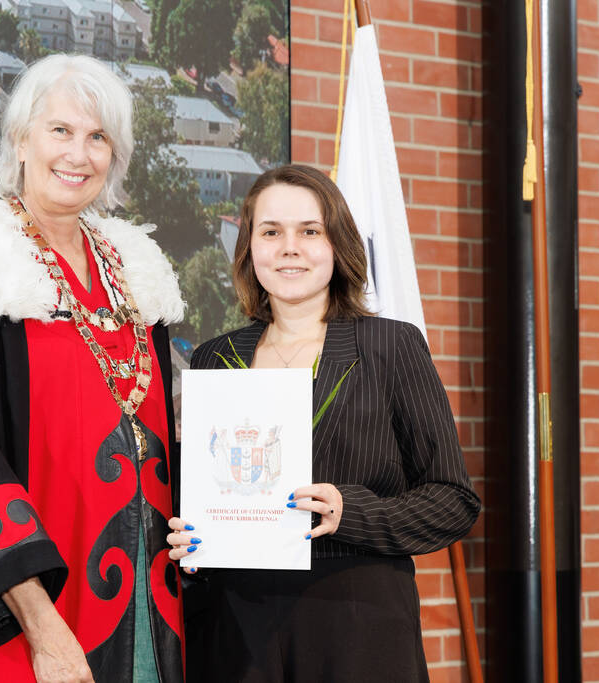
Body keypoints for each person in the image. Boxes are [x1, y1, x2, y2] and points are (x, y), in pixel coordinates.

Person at [0, 54, 187, 683]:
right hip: (33, 619)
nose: (78, 154)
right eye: (60, 131)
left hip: (149, 607)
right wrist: (43, 630)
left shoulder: (139, 274)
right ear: (20, 139)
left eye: (98, 137)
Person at [168, 165, 481, 682]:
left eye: (309, 231)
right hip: (234, 631)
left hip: (358, 623)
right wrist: (189, 542)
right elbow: (194, 497)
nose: (289, 247)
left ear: (337, 246)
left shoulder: (390, 347)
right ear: (249, 249)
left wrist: (350, 512)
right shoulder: (212, 358)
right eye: (271, 232)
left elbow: (453, 501)